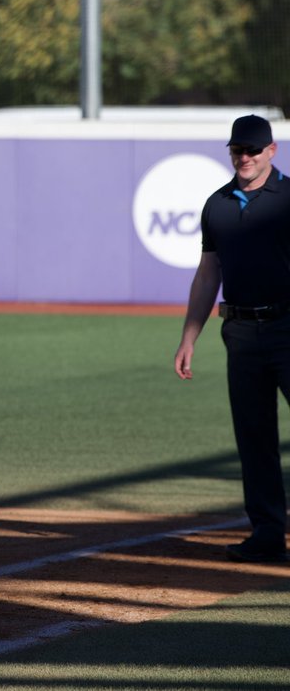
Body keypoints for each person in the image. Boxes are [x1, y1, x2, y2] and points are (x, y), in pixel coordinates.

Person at [175, 114, 289, 564]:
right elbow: (209, 273)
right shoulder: (217, 205)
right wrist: (189, 337)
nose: (245, 157)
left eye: (253, 150)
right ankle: (267, 532)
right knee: (254, 436)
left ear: (271, 151)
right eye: (237, 150)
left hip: (287, 327)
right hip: (239, 332)